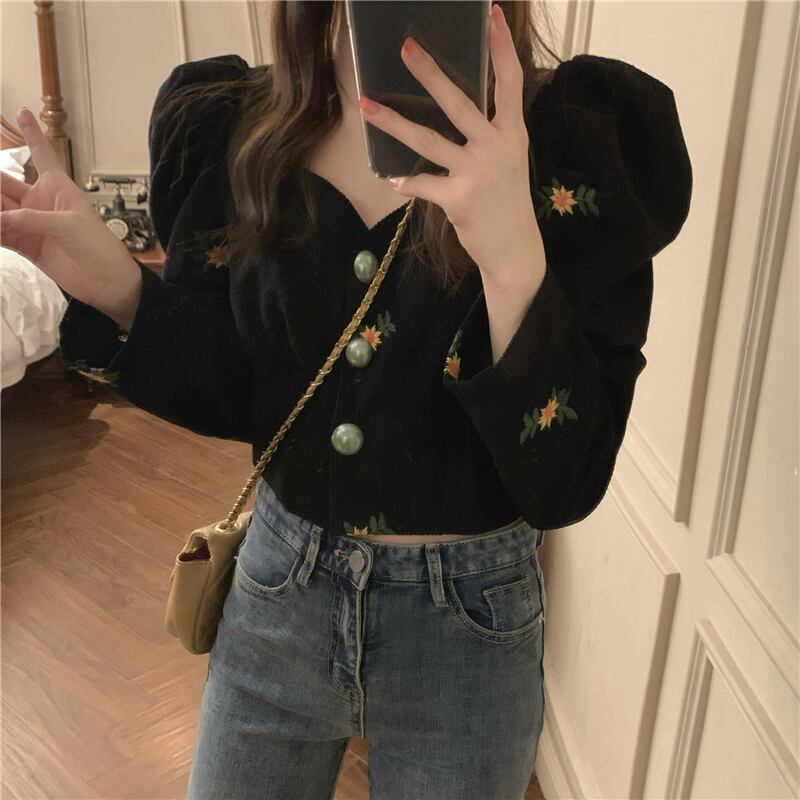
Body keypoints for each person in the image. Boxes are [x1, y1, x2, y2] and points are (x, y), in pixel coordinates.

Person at [0, 1, 692, 797]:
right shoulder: (244, 128)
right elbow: (245, 390)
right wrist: (121, 289)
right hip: (275, 601)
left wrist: (512, 259)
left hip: (468, 635)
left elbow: (565, 482)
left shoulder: (574, 147)